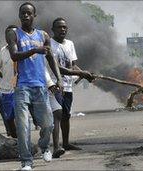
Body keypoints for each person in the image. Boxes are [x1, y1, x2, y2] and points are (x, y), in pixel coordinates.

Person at [5, 2, 63, 170]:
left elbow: (51, 58)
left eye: (29, 13)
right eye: (22, 13)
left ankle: (44, 147)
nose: (25, 16)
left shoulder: (43, 35)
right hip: (22, 87)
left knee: (48, 124)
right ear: (19, 15)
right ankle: (26, 162)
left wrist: (58, 78)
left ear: (34, 16)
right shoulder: (13, 34)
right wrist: (34, 51)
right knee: (23, 127)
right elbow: (14, 56)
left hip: (40, 87)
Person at [49, 17, 94, 153]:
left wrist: (84, 74)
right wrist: (82, 74)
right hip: (55, 84)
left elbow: (72, 65)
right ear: (53, 29)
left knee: (66, 115)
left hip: (68, 86)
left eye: (64, 27)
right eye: (59, 27)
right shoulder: (49, 44)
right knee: (57, 114)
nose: (62, 29)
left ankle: (66, 143)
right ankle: (56, 146)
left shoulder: (70, 44)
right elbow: (54, 67)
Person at [0, 26, 18, 138]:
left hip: (0, 87)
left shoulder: (23, 48)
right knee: (7, 114)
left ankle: (14, 135)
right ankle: (12, 134)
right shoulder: (3, 50)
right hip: (1, 88)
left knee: (13, 114)